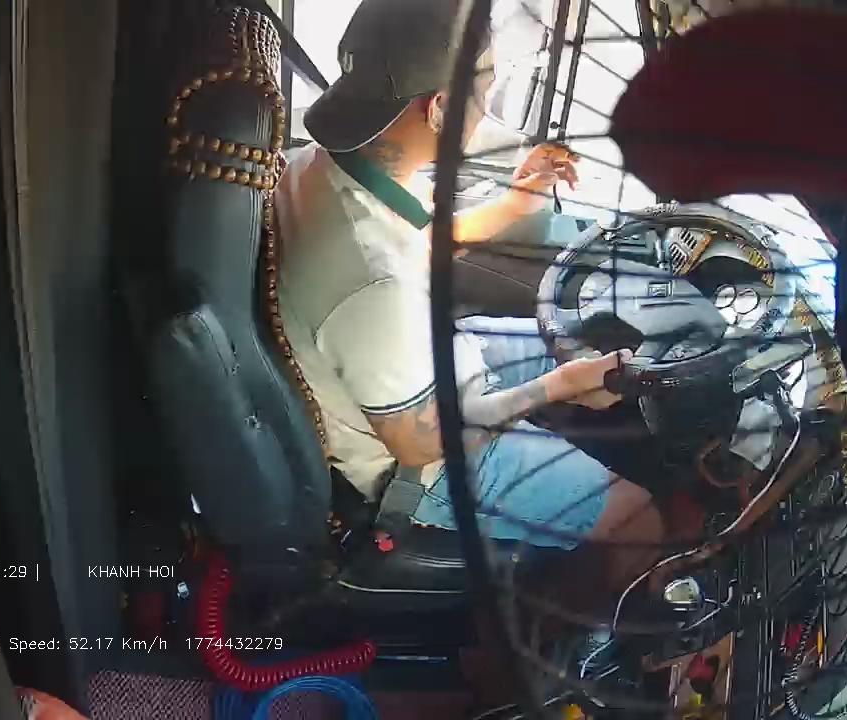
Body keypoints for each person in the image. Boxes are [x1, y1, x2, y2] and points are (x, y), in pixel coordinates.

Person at [273, 0, 663, 607]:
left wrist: (515, 203)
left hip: (420, 363)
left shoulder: (323, 167)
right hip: (414, 465)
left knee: (578, 341)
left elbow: (411, 242)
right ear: (439, 108)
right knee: (640, 519)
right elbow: (422, 442)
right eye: (487, 88)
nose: (488, 106)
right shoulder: (370, 285)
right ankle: (573, 627)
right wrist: (557, 388)